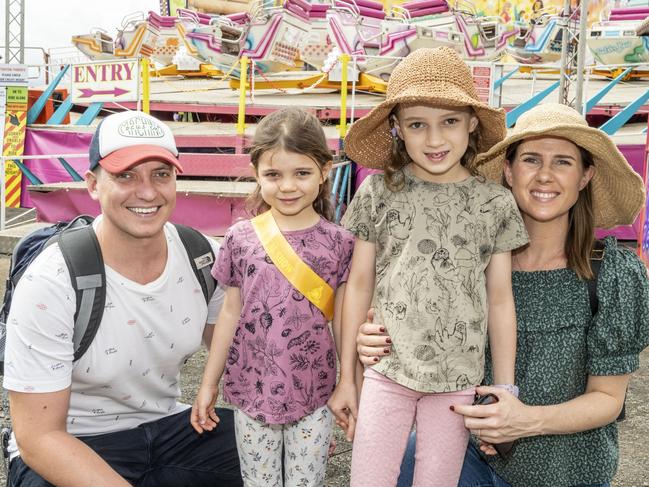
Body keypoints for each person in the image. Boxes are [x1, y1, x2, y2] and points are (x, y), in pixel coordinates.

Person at [358, 103, 649, 487]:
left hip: (566, 471)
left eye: (562, 162)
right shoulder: (468, 259)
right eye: (531, 159)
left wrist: (524, 420)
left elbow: (609, 400)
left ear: (585, 176)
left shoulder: (612, 273)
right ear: (509, 171)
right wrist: (376, 338)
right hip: (472, 457)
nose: (545, 175)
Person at [3, 111, 243, 487]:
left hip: (169, 430)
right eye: (125, 175)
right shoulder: (53, 280)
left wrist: (307, 401)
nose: (147, 192)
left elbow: (243, 353)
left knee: (271, 453)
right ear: (93, 185)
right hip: (74, 439)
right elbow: (38, 437)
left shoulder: (203, 257)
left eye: (161, 174)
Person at [327, 47, 529, 487]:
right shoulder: (378, 192)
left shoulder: (493, 202)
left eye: (449, 122)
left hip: (458, 381)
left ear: (472, 123)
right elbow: (358, 285)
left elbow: (499, 299)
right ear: (397, 128)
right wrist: (349, 375)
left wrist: (505, 389)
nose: (434, 140)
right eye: (418, 124)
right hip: (386, 370)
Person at [190, 107, 354, 486]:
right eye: (273, 175)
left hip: (314, 389)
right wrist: (208, 384)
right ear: (256, 174)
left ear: (325, 171)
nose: (287, 186)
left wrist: (350, 383)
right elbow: (229, 313)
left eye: (302, 173)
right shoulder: (240, 238)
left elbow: (344, 320)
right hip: (251, 387)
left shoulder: (341, 243)